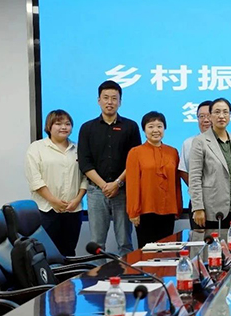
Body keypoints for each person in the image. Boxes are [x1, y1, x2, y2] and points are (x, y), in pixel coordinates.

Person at [78, 80, 141, 255]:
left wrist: (117, 183)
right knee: (97, 244)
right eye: (106, 98)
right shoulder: (87, 128)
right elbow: (84, 162)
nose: (110, 102)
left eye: (114, 98)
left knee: (125, 242)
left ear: (120, 101)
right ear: (99, 100)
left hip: (122, 191)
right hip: (96, 192)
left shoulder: (130, 126)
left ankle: (126, 272)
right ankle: (98, 273)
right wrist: (104, 185)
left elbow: (134, 161)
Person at [24, 109, 87, 256]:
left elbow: (85, 177)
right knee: (45, 254)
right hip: (46, 210)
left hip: (73, 210)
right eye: (58, 124)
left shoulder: (78, 149)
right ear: (49, 126)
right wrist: (54, 201)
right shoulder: (37, 148)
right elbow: (35, 179)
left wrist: (77, 199)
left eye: (67, 124)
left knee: (68, 253)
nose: (64, 127)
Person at [189, 98, 231, 229]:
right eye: (217, 112)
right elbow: (194, 177)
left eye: (225, 112)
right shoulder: (200, 141)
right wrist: (198, 208)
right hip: (212, 208)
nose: (221, 116)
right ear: (210, 116)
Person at [126, 111, 182, 248]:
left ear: (164, 128)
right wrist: (133, 211)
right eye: (151, 126)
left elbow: (176, 182)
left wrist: (178, 207)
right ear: (144, 130)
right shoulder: (135, 152)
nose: (155, 130)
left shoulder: (173, 152)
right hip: (145, 210)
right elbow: (132, 184)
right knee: (147, 251)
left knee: (166, 250)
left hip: (168, 209)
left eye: (159, 126)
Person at [178, 100, 211, 230]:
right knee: (198, 237)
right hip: (198, 202)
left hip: (222, 203)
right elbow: (183, 170)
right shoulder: (189, 143)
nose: (205, 120)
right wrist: (197, 190)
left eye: (209, 115)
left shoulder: (229, 142)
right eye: (201, 116)